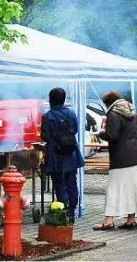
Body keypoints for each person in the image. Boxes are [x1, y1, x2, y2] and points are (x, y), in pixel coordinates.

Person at [92, 91, 137, 231]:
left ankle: (108, 221)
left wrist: (101, 132)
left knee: (114, 188)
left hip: (122, 157)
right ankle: (130, 219)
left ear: (108, 103)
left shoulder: (113, 113)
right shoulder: (130, 111)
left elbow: (112, 135)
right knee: (132, 189)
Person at [41, 87, 85, 223]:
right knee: (72, 182)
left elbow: (45, 136)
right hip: (71, 153)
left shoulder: (47, 116)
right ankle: (72, 211)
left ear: (51, 99)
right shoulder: (71, 114)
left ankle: (63, 210)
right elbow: (75, 130)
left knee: (59, 183)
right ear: (64, 99)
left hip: (55, 154)